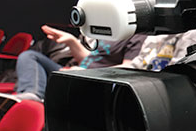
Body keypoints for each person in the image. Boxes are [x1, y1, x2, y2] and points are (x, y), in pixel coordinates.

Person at [13, 25, 146, 101]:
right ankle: (32, 93)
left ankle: (33, 98)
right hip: (77, 71)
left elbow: (128, 68)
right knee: (29, 56)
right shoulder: (111, 32)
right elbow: (88, 59)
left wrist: (85, 73)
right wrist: (71, 41)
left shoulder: (137, 35)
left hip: (92, 79)